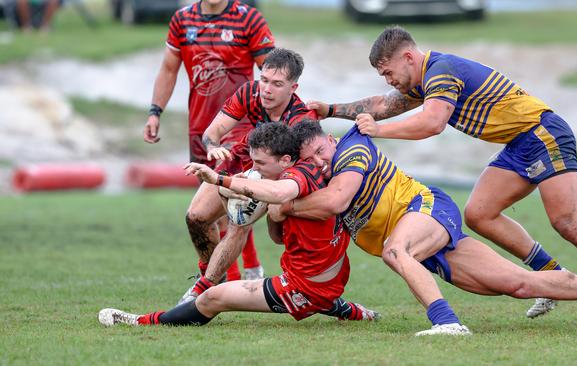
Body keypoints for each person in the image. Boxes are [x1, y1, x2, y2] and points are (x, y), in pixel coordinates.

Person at [306, 26, 577, 326]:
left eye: (388, 71)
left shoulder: (441, 71)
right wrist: (331, 110)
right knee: (479, 214)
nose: (388, 80)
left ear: (408, 57)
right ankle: (552, 276)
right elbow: (383, 104)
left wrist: (379, 131)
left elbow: (432, 123)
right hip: (518, 144)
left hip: (543, 134)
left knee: (568, 223)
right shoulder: (424, 80)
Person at [267, 121, 577, 336]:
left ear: (331, 141)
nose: (319, 161)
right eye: (310, 160)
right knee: (519, 284)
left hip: (427, 209)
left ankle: (447, 322)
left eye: (321, 151)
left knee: (395, 251)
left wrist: (278, 200)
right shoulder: (316, 184)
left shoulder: (352, 149)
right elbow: (281, 234)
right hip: (427, 245)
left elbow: (336, 202)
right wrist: (275, 210)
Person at [98, 123, 379, 327]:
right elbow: (278, 237)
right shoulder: (300, 176)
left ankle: (142, 322)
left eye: (260, 164)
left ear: (284, 160)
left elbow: (280, 193)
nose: (256, 170)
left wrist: (221, 180)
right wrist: (275, 215)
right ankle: (355, 312)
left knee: (212, 299)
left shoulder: (297, 175)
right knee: (313, 292)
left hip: (303, 286)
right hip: (329, 277)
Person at [144, 0, 275, 284]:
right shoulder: (182, 20)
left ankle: (230, 279)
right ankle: (245, 270)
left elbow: (274, 77)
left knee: (230, 195)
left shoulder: (249, 19)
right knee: (214, 207)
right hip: (200, 129)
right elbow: (169, 69)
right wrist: (155, 111)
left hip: (239, 130)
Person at [177, 48, 319, 304]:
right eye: (264, 80)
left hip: (275, 174)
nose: (266, 89)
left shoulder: (302, 121)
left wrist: (258, 182)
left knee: (238, 223)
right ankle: (214, 279)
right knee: (195, 217)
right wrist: (213, 147)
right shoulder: (249, 92)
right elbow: (214, 130)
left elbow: (304, 167)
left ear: (293, 87)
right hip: (244, 157)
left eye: (277, 84)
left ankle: (203, 289)